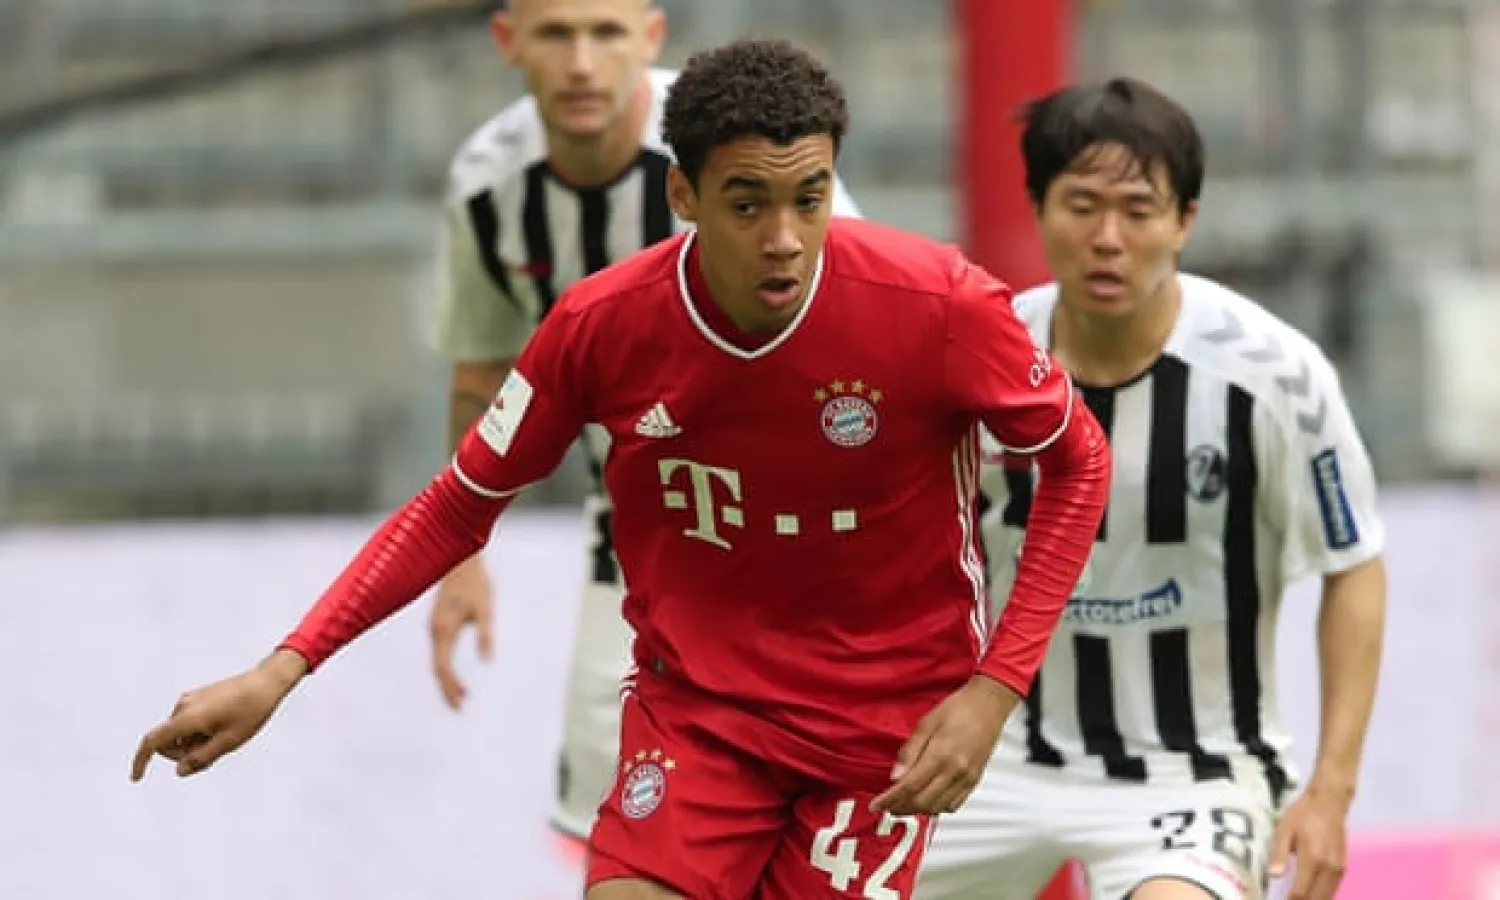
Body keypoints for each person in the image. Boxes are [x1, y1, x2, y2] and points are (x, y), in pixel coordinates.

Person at [129, 39, 1111, 899]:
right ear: (681, 196)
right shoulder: (600, 328)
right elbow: (457, 507)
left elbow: (1079, 461)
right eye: (746, 202)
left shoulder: (934, 303)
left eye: (809, 199)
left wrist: (995, 689)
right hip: (700, 714)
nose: (784, 239)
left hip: (884, 733)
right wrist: (279, 670)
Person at [916, 78, 1387, 900]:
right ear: (1036, 206)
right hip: (994, 752)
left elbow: (1353, 562)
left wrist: (1331, 793)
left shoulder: (1276, 375)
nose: (1108, 237)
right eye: (1082, 204)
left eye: (1137, 209)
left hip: (1195, 769)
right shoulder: (976, 361)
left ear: (1185, 221)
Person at [427, 0, 862, 842]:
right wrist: (462, 554)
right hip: (636, 530)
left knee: (808, 818)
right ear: (509, 42)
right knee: (610, 814)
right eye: (557, 34)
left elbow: (862, 326)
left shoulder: (745, 146)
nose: (583, 64)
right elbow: (482, 367)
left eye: (606, 33)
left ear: (651, 39)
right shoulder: (486, 188)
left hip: (799, 531)